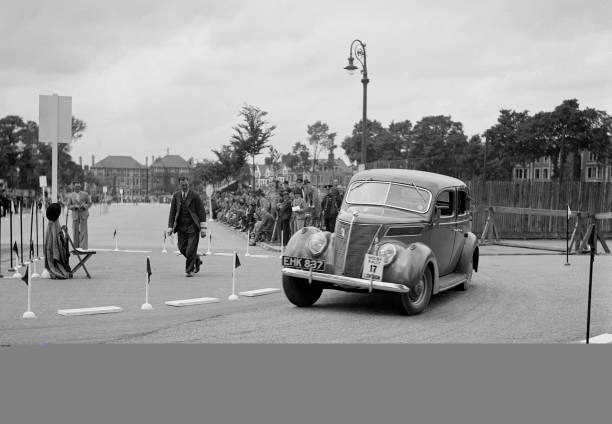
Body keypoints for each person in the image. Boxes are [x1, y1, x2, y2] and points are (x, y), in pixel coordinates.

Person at [167, 176, 207, 277]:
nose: (184, 186)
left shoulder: (195, 196)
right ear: (179, 185)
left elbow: (201, 212)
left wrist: (203, 229)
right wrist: (170, 227)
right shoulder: (176, 196)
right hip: (181, 227)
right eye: (182, 185)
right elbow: (172, 212)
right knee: (181, 248)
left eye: (186, 184)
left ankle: (189, 270)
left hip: (193, 226)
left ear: (188, 183)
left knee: (190, 250)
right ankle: (196, 259)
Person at [44, 203, 72, 279]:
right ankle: (57, 270)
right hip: (55, 258)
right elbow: (56, 244)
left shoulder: (51, 223)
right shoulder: (54, 224)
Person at [65, 181, 92, 249]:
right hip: (75, 215)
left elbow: (89, 203)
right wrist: (74, 206)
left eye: (79, 186)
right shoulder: (71, 195)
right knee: (75, 231)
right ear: (74, 187)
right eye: (76, 186)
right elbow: (68, 205)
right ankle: (76, 247)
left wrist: (84, 206)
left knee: (84, 231)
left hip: (83, 214)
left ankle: (83, 247)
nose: (78, 188)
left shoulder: (85, 194)